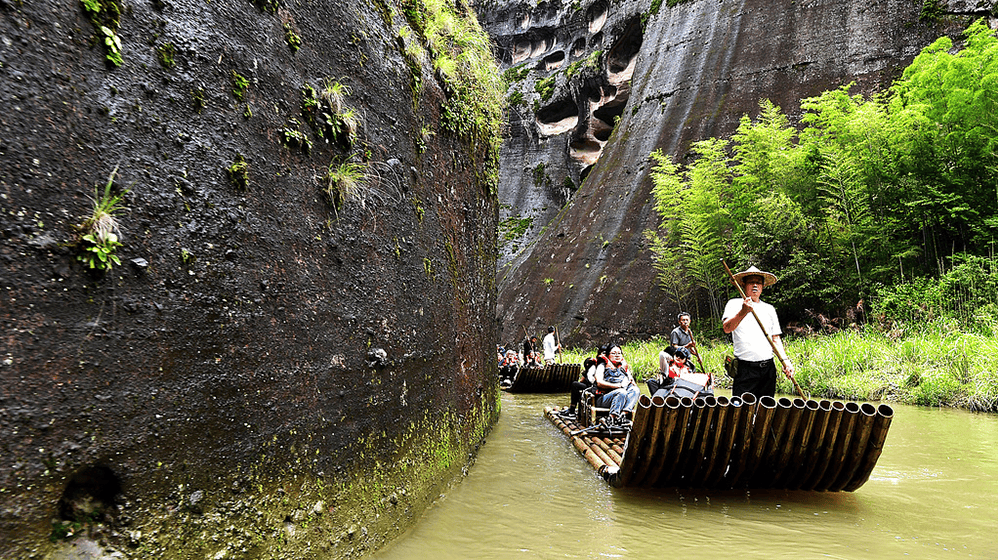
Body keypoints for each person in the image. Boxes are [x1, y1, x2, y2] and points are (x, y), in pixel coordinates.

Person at [722, 265, 795, 398]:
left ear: (762, 286)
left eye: (758, 282)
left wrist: (786, 361)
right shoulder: (734, 304)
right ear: (743, 285)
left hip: (768, 368)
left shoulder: (769, 309)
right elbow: (727, 328)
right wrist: (743, 311)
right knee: (740, 412)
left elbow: (776, 339)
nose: (755, 285)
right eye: (751, 282)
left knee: (765, 410)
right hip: (745, 369)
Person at [558, 345, 608, 419]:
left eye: (604, 353)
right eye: (600, 353)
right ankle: (572, 409)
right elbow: (585, 377)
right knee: (576, 385)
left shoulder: (606, 363)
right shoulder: (594, 362)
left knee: (575, 385)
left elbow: (594, 380)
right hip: (592, 384)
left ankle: (572, 410)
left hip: (596, 386)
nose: (601, 355)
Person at [594, 345, 640, 424]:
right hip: (605, 398)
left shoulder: (623, 368)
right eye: (614, 353)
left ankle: (623, 415)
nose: (617, 355)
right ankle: (611, 418)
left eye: (619, 353)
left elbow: (633, 383)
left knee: (635, 390)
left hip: (623, 398)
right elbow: (599, 382)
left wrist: (631, 385)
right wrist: (618, 386)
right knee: (621, 392)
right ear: (608, 355)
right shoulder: (602, 366)